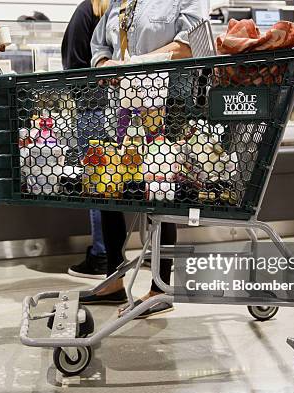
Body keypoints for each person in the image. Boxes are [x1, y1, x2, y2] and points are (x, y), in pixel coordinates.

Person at [79, 0, 209, 318]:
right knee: (108, 185)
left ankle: (160, 287)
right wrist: (104, 65)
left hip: (168, 106)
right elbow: (98, 45)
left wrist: (136, 64)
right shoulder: (120, 3)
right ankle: (113, 279)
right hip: (122, 108)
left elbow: (192, 45)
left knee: (160, 191)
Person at [62, 0, 110, 279]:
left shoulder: (85, 11)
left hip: (93, 111)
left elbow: (73, 66)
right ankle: (117, 252)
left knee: (98, 184)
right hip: (124, 107)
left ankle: (102, 256)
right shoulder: (119, 13)